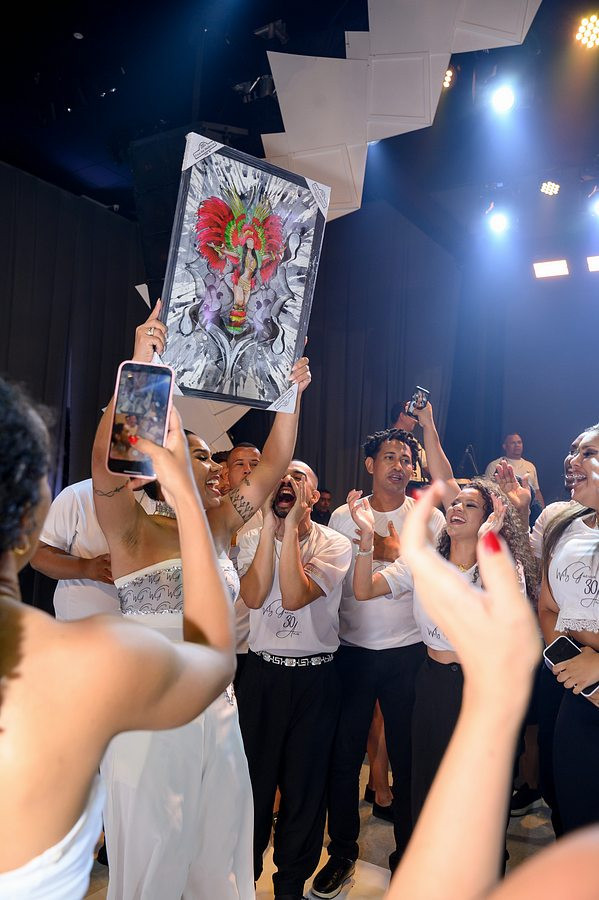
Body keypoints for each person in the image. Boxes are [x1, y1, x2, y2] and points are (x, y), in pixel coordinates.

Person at [91, 301, 311, 900]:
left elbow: (274, 464)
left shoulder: (217, 525)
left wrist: (288, 389)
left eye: (214, 457)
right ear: (162, 460)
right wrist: (141, 370)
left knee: (222, 861)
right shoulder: (130, 530)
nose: (215, 467)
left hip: (219, 711)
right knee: (154, 863)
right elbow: (106, 471)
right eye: (199, 453)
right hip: (153, 715)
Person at [0, 377, 236, 899]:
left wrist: (144, 367)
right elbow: (216, 660)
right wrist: (186, 498)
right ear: (31, 520)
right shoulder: (98, 658)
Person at [384, 483, 598, 900]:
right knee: (426, 786)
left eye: (471, 504)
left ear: (489, 520)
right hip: (433, 682)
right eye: (454, 503)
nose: (457, 508)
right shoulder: (431, 562)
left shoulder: (502, 567)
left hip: (482, 685)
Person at [312, 428, 445, 899]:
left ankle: (408, 854)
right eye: (389, 457)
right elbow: (338, 580)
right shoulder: (344, 517)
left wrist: (396, 553)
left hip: (409, 652)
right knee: (344, 759)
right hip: (351, 652)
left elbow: (438, 574)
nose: (399, 465)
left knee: (409, 761)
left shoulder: (427, 518)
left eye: (406, 459)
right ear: (370, 465)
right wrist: (379, 550)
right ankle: (342, 851)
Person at [236, 463, 352, 900]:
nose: (287, 481)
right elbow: (253, 596)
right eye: (281, 475)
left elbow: (294, 595)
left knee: (305, 788)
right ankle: (242, 879)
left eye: (299, 477)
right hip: (262, 676)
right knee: (252, 785)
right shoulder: (253, 539)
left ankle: (289, 886)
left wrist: (290, 530)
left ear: (315, 496)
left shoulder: (335, 544)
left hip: (315, 679)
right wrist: (271, 526)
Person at [537, 420, 599, 835]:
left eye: (588, 453)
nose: (572, 459)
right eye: (573, 450)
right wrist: (579, 674)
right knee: (574, 819)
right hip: (578, 693)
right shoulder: (564, 527)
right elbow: (546, 608)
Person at [30, 478, 119, 620]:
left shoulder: (158, 494)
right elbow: (38, 555)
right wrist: (87, 567)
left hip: (148, 624)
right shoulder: (78, 494)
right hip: (80, 622)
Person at [485, 433, 545, 509]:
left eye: (519, 442)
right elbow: (487, 491)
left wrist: (543, 509)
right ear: (505, 446)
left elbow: (537, 491)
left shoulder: (530, 466)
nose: (517, 445)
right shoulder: (494, 465)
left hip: (530, 509)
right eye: (513, 443)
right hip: (506, 508)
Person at [388, 401, 429, 483]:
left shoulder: (413, 441)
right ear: (402, 416)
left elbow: (428, 466)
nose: (416, 421)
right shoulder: (386, 441)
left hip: (415, 486)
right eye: (412, 416)